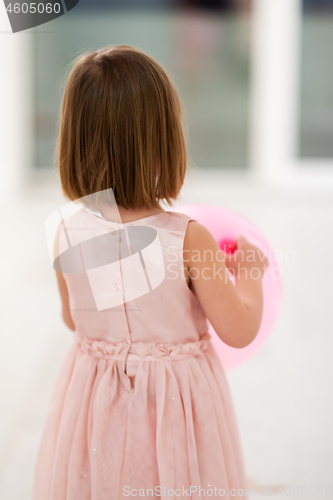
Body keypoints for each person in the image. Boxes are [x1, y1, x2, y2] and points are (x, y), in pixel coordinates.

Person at [33, 45, 268, 500]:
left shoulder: (66, 228)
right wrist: (250, 273)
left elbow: (72, 319)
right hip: (174, 410)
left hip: (96, 405)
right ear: (164, 138)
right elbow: (238, 330)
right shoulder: (187, 239)